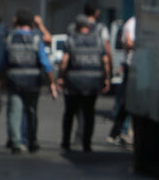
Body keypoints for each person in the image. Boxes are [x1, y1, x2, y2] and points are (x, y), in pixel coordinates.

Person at [3, 9, 56, 154]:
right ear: (32, 23)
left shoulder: (10, 37)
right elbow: (45, 63)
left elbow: (4, 61)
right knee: (31, 112)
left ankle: (15, 142)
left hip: (14, 81)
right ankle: (32, 141)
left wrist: (3, 80)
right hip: (32, 82)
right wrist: (52, 83)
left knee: (14, 112)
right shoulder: (36, 38)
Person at [58, 15, 111, 153]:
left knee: (69, 113)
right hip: (92, 84)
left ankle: (66, 142)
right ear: (89, 27)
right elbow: (105, 62)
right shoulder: (99, 41)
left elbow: (64, 62)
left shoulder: (71, 41)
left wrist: (60, 77)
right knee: (89, 113)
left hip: (73, 84)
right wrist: (106, 78)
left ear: (76, 27)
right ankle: (87, 144)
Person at [108, 14, 136, 145]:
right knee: (126, 102)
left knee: (130, 102)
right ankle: (118, 131)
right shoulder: (131, 23)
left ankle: (119, 131)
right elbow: (128, 42)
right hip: (132, 66)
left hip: (140, 66)